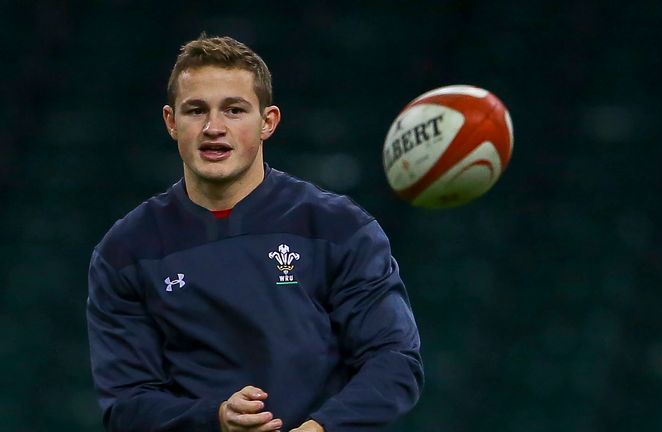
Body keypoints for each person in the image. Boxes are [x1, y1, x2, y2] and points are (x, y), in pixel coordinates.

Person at [86, 34, 424, 432]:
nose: (214, 127)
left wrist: (320, 428)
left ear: (268, 122)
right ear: (171, 122)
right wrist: (215, 419)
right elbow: (126, 403)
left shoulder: (339, 228)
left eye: (234, 110)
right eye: (196, 110)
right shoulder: (126, 250)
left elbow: (395, 360)